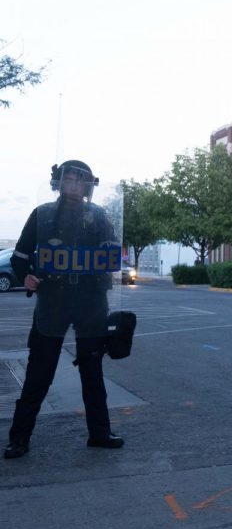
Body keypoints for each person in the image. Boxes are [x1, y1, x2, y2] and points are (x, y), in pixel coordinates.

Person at [4, 160, 124, 460]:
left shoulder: (99, 216)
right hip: (53, 300)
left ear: (88, 186)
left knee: (92, 372)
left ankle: (99, 433)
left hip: (90, 301)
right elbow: (19, 258)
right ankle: (19, 437)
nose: (73, 185)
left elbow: (111, 254)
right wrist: (27, 277)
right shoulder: (42, 215)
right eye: (68, 179)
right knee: (38, 372)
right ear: (59, 183)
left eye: (79, 180)